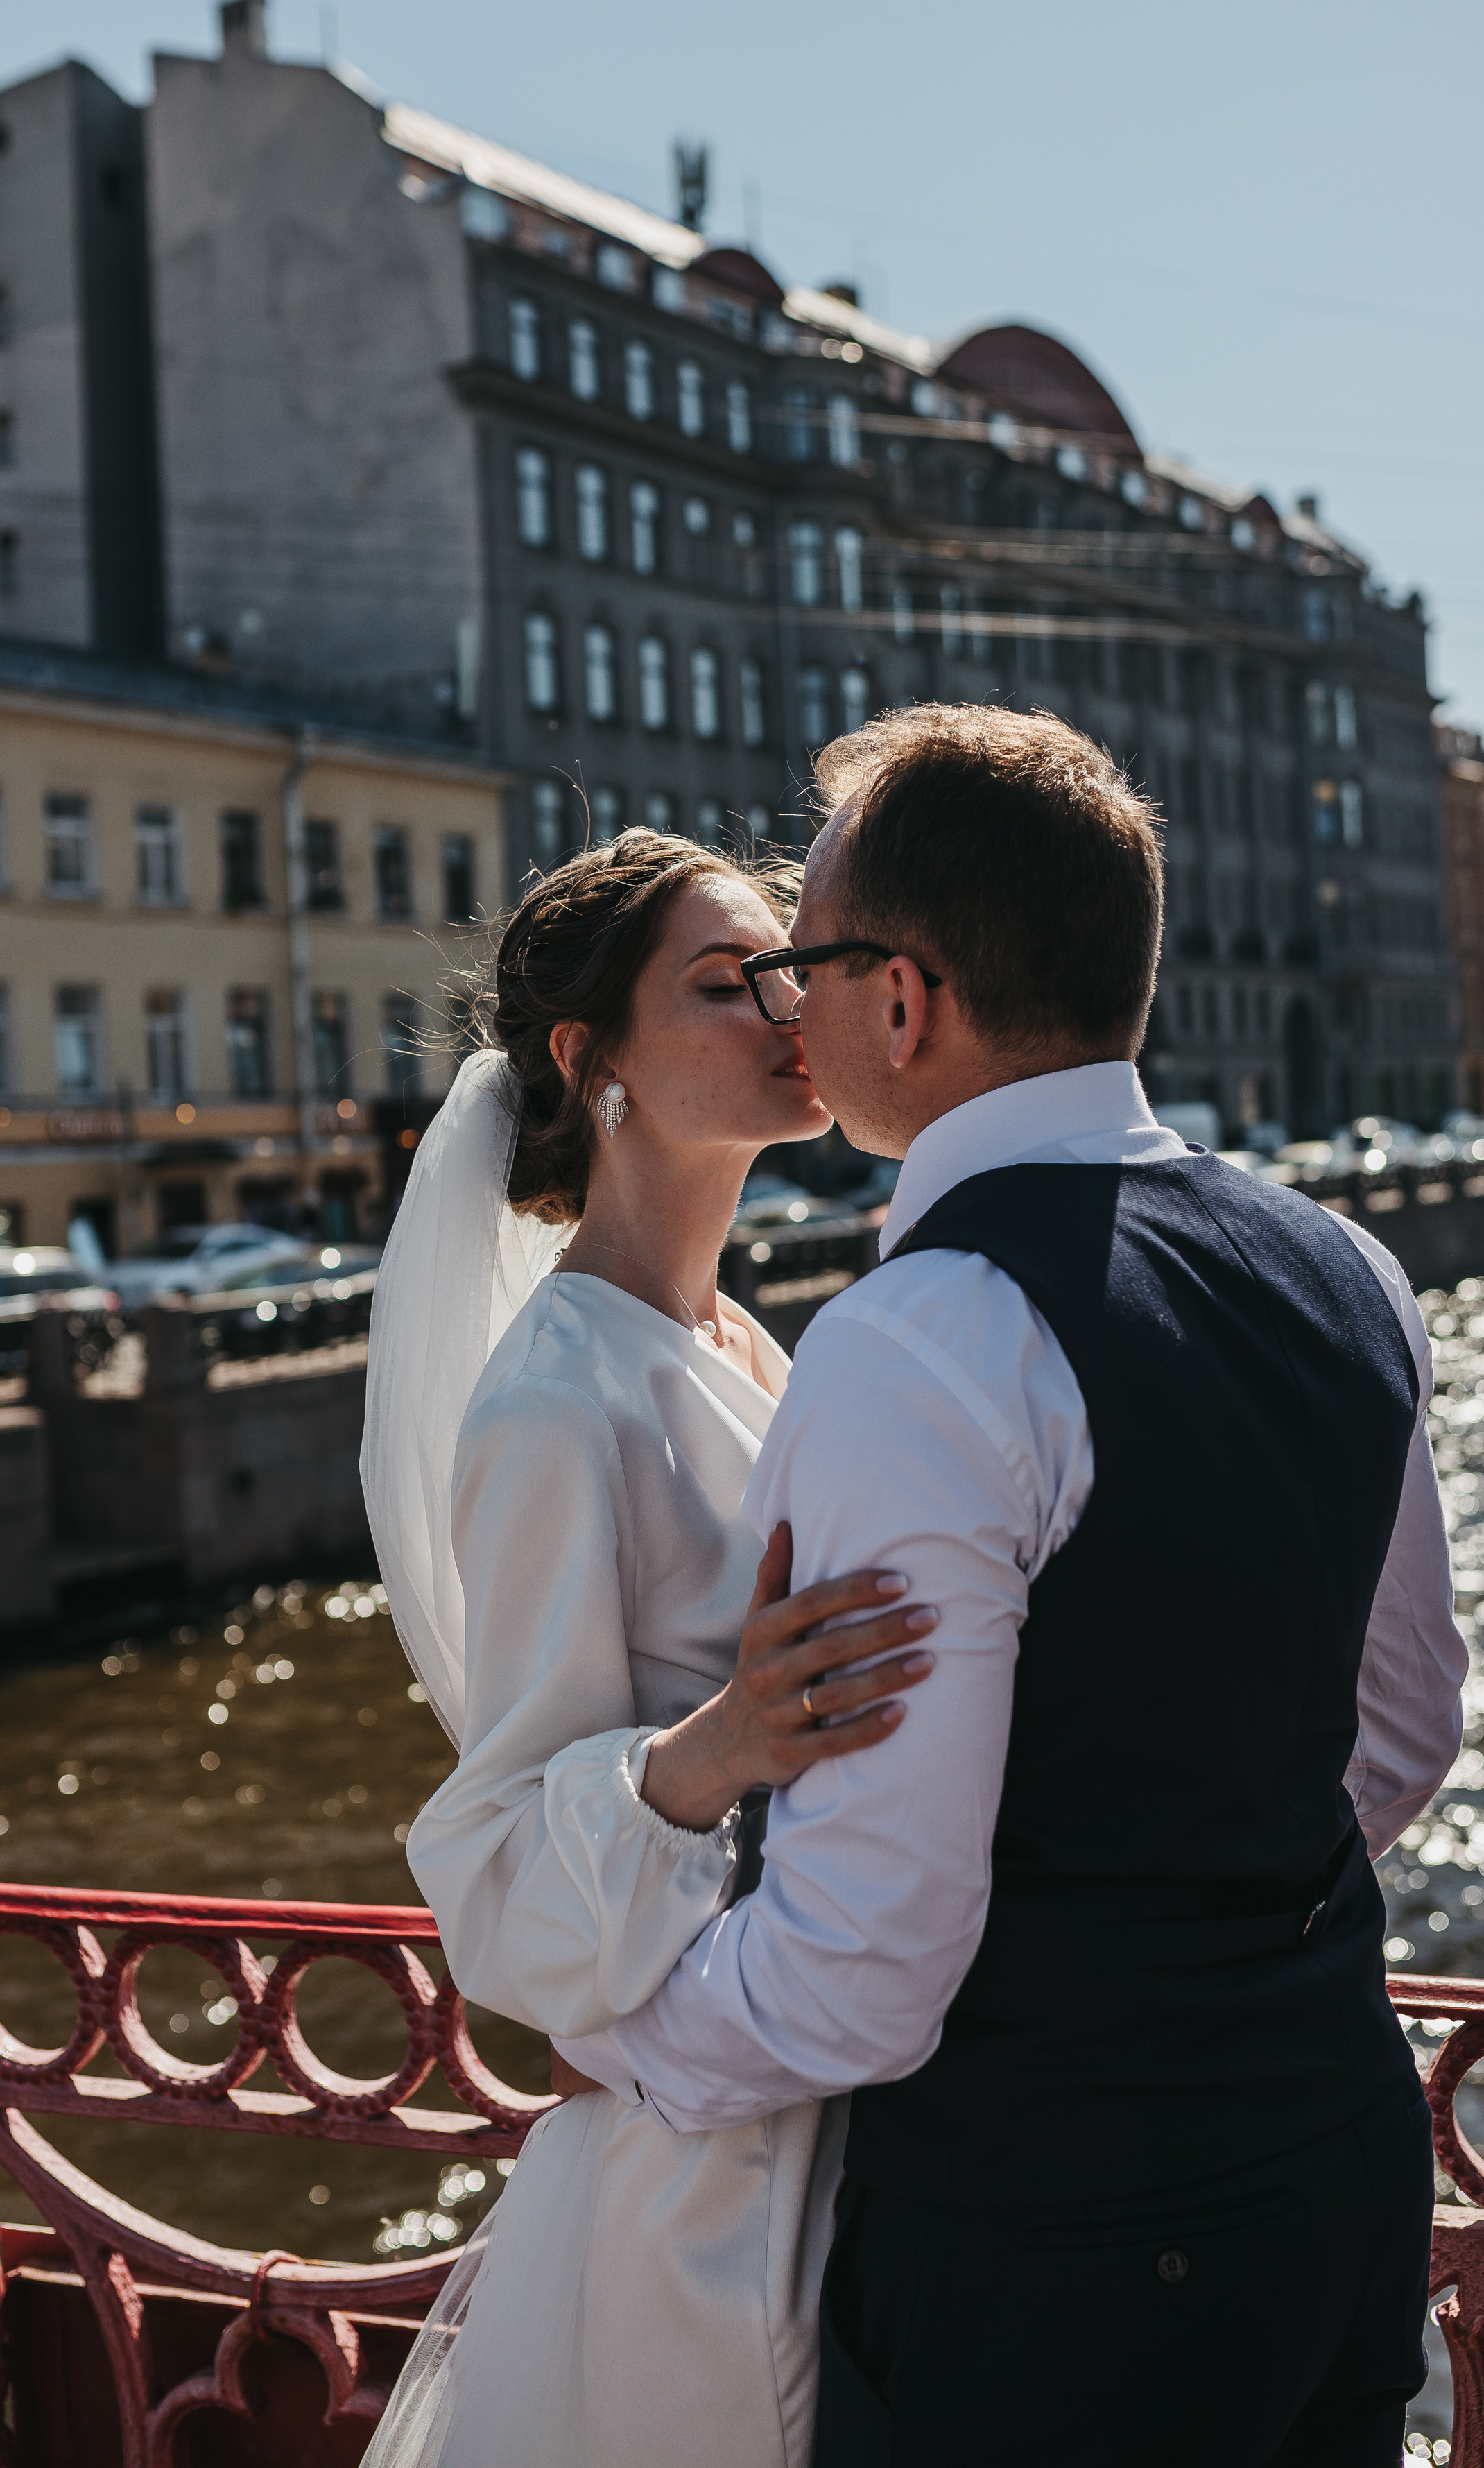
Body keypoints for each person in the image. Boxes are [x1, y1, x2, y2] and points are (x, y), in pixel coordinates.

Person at [558, 707, 1468, 2468]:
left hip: (1069, 2249)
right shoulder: (1345, 1266)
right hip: (1341, 2161)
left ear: (902, 1001)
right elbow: (1405, 1731)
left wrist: (622, 2037)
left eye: (809, 964)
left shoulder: (925, 1337)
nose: (789, 1007)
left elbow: (862, 1975)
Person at [359, 830, 938, 2468]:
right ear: (586, 1057)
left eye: (782, 969)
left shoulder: (732, 1337)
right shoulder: (558, 1401)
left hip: (841, 2078)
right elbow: (490, 1859)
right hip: (719, 2177)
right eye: (718, 981)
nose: (780, 1006)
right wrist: (720, 1746)